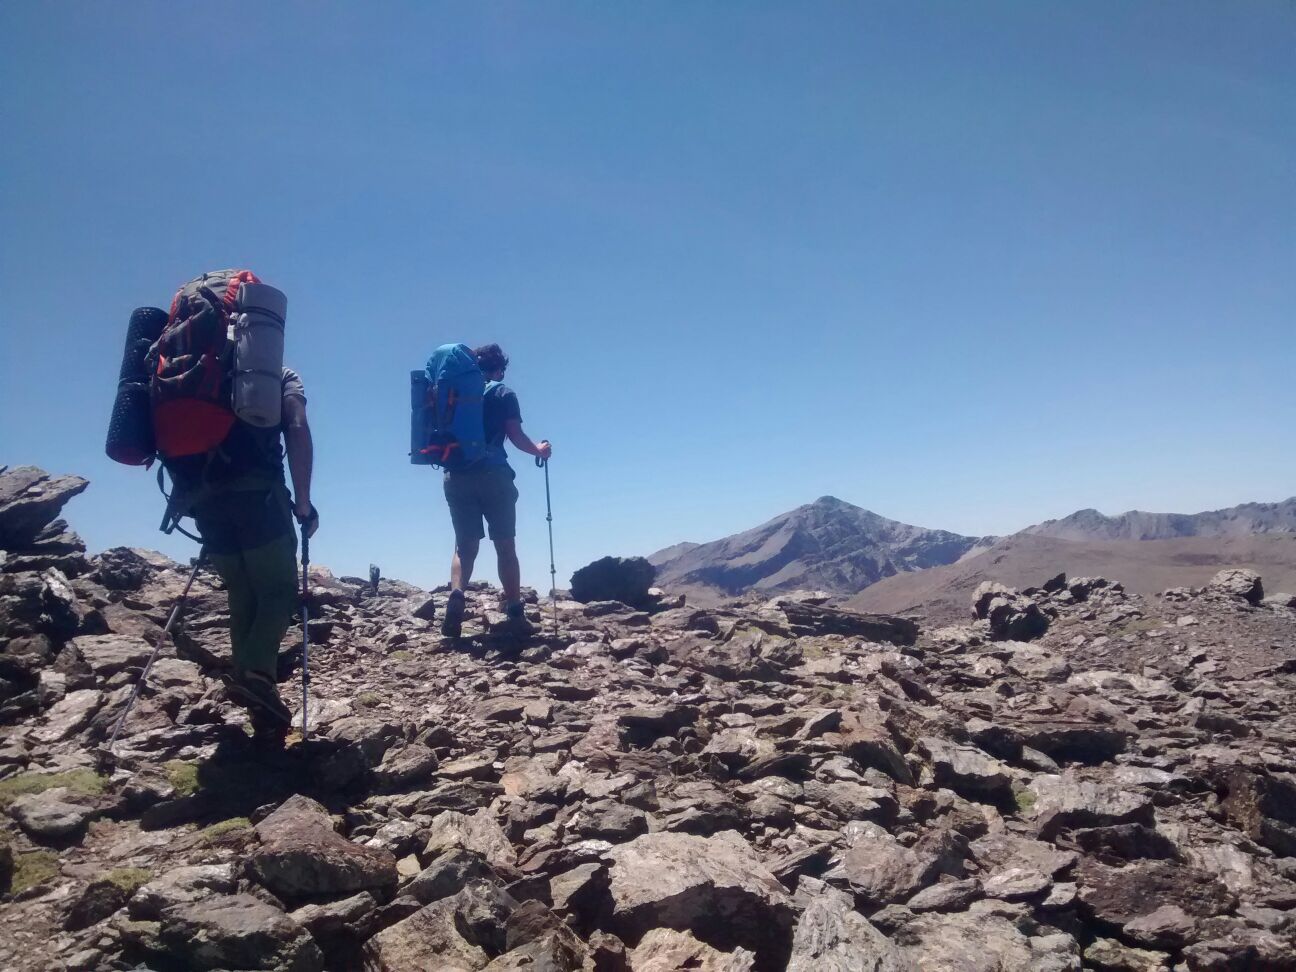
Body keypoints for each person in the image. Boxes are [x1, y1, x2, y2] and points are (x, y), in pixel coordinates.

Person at [168, 366, 317, 738]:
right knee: (278, 590)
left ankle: (252, 688)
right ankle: (256, 677)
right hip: (258, 496)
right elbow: (296, 428)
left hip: (204, 501)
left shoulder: (189, 369)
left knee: (241, 589)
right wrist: (303, 502)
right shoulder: (274, 372)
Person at [441, 344, 551, 638]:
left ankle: (457, 596)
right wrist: (538, 450)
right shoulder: (502, 392)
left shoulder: (451, 393)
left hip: (456, 475)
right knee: (505, 546)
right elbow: (515, 436)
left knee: (464, 547)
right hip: (493, 475)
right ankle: (514, 610)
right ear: (499, 368)